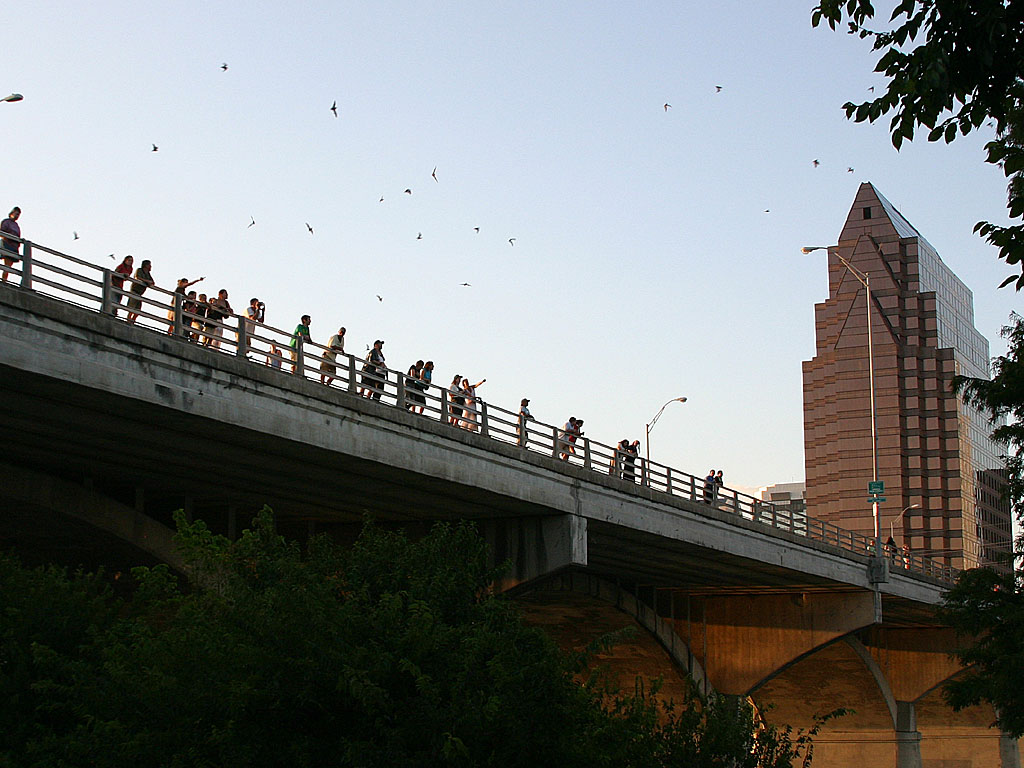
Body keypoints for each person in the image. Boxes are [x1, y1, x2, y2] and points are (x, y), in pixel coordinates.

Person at [125, 259, 154, 324]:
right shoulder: (139, 270)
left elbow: (152, 282)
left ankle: (132, 321)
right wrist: (146, 281)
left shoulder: (148, 274)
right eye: (149, 265)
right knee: (131, 308)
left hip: (140, 293)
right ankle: (128, 320)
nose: (150, 267)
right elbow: (137, 277)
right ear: (146, 265)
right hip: (134, 291)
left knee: (138, 310)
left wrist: (149, 282)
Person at [1, 206, 21, 283]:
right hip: (7, 244)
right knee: (7, 265)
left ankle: (4, 280)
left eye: (18, 215)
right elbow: (2, 232)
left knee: (9, 266)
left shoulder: (16, 226)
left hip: (14, 247)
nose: (17, 216)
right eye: (16, 214)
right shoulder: (6, 222)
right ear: (12, 213)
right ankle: (4, 281)